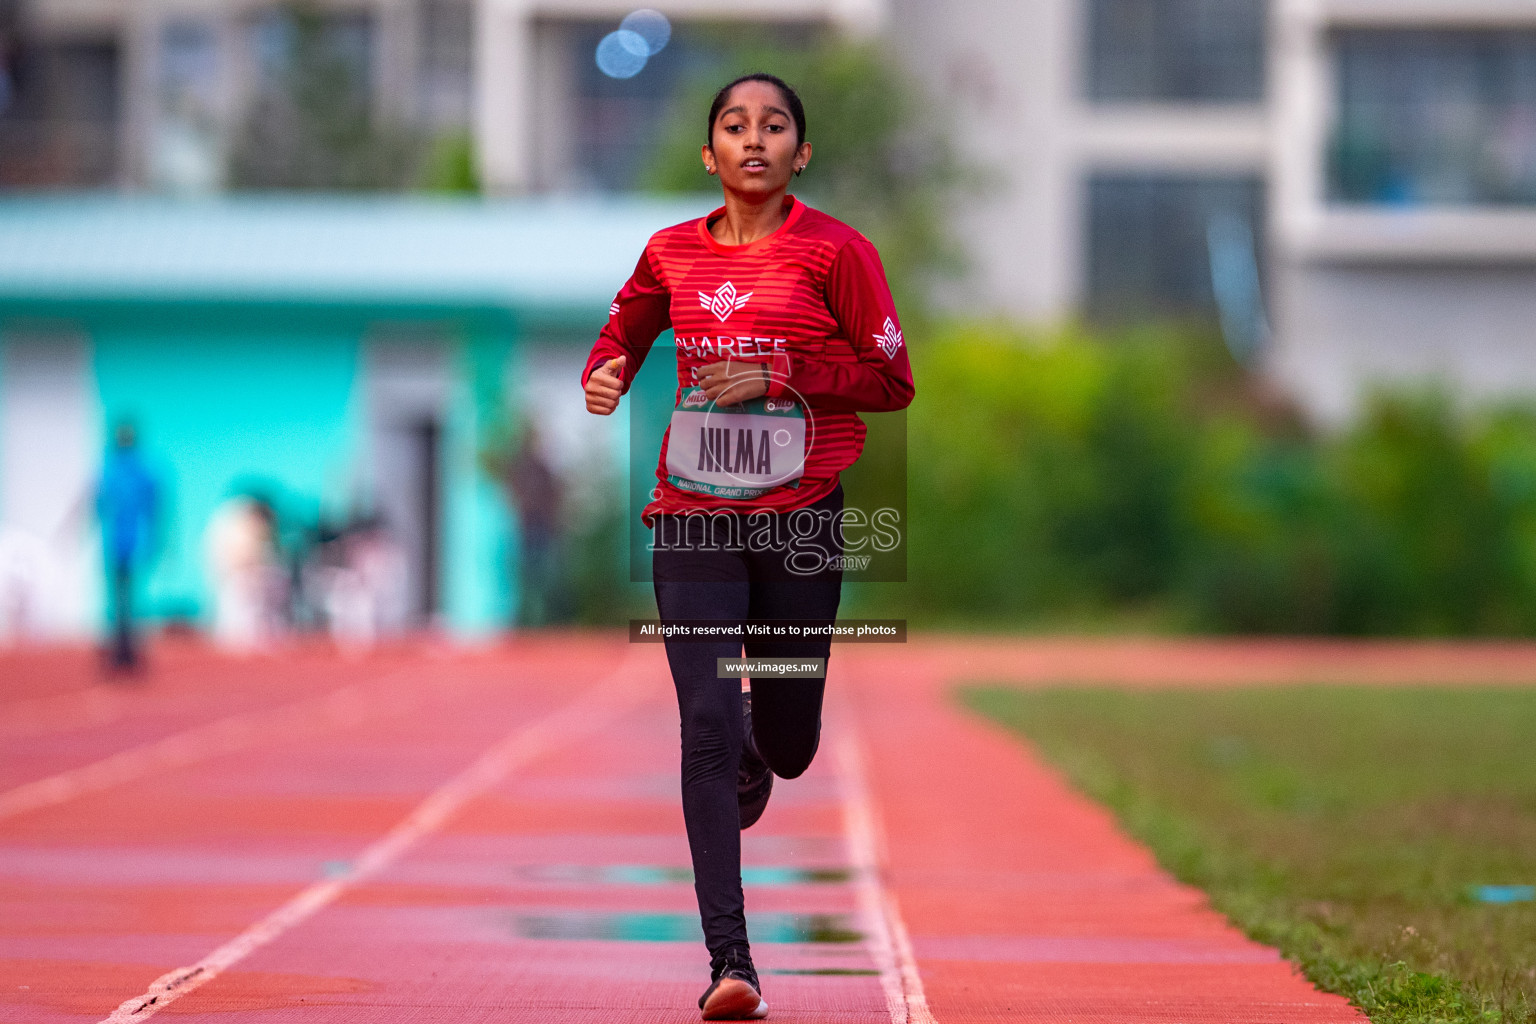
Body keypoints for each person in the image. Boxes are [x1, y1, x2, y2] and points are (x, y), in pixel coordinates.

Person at [583, 73, 914, 1021]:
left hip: (801, 520)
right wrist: (603, 371)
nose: (755, 140)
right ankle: (732, 961)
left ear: (800, 154)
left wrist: (777, 370)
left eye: (775, 127)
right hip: (691, 515)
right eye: (735, 126)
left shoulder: (839, 254)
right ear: (711, 154)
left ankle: (763, 749)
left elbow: (893, 384)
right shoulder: (669, 253)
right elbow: (625, 330)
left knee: (786, 738)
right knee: (703, 722)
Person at [96, 421, 160, 674]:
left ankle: (124, 652)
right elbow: (155, 511)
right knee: (127, 601)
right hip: (130, 544)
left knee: (122, 601)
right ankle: (125, 652)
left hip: (121, 544)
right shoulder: (142, 471)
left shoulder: (112, 470)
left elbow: (99, 506)